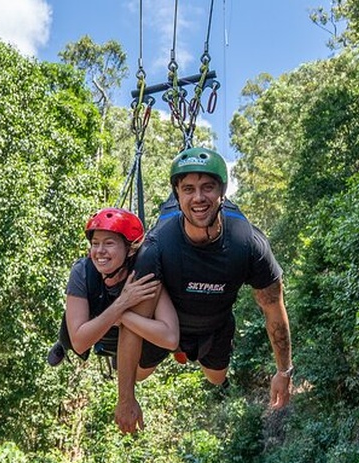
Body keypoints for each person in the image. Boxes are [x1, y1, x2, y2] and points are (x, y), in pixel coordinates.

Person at [114, 147, 293, 434]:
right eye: (188, 189)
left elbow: (273, 307)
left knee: (215, 378)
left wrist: (284, 371)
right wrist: (126, 400)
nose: (198, 198)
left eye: (207, 187)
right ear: (177, 195)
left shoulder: (247, 244)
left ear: (222, 193)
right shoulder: (158, 247)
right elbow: (134, 329)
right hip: (165, 325)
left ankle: (190, 350)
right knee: (136, 376)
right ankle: (169, 343)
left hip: (215, 325)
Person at [48, 207, 179, 367]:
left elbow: (171, 339)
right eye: (95, 244)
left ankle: (121, 355)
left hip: (132, 336)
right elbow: (79, 342)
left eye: (109, 243)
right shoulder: (83, 271)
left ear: (130, 249)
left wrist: (122, 317)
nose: (100, 251)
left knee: (148, 358)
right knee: (69, 326)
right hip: (94, 325)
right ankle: (62, 345)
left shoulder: (143, 272)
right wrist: (122, 303)